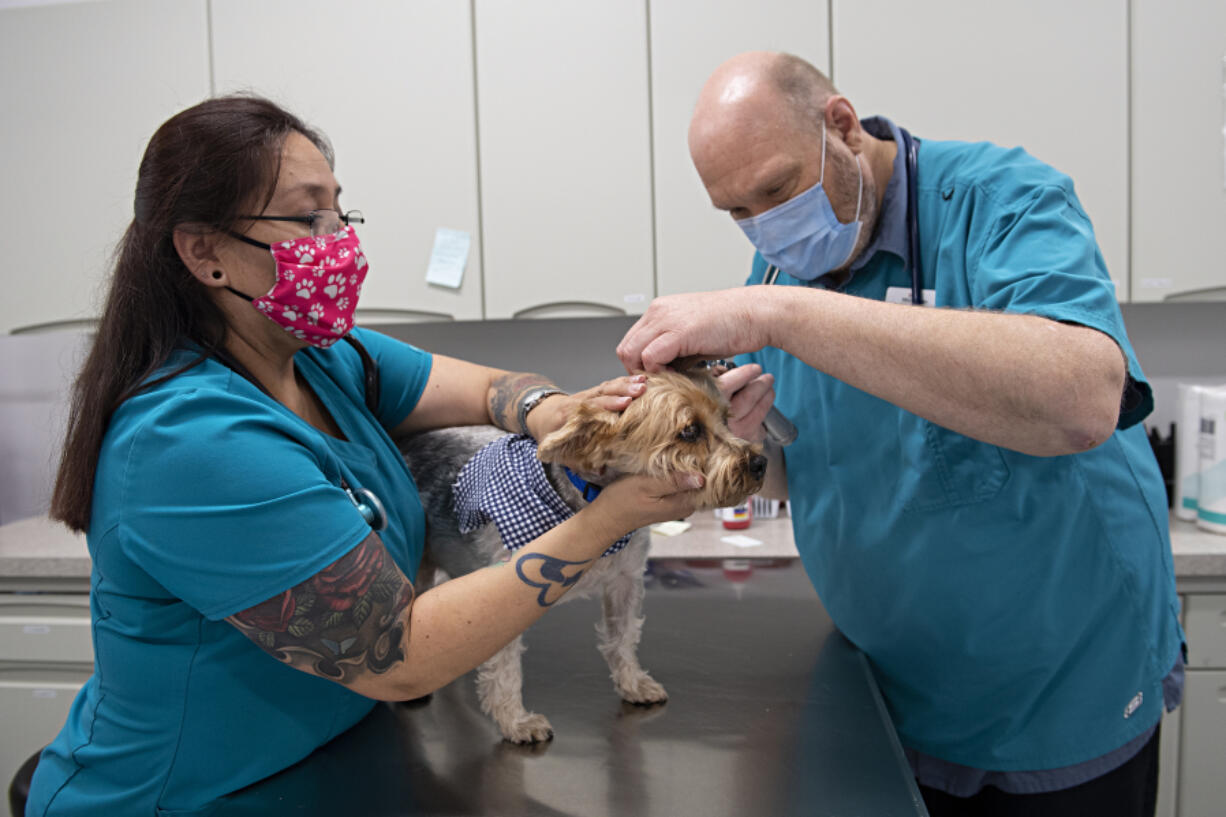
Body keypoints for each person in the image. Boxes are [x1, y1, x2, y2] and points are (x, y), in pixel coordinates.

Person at [26, 95, 703, 816]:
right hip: (184, 795)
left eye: (340, 213)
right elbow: (398, 654)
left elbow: (491, 389)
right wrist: (604, 521)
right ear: (204, 251)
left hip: (329, 760)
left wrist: (558, 411)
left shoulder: (325, 360)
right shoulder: (191, 442)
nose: (339, 242)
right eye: (306, 217)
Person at [617, 52, 1184, 816]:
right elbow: (810, 461)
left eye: (777, 190)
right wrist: (746, 441)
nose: (764, 226)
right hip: (892, 692)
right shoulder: (782, 270)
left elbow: (1081, 401)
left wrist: (774, 316)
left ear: (842, 126)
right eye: (737, 211)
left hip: (1057, 694)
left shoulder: (1000, 200)